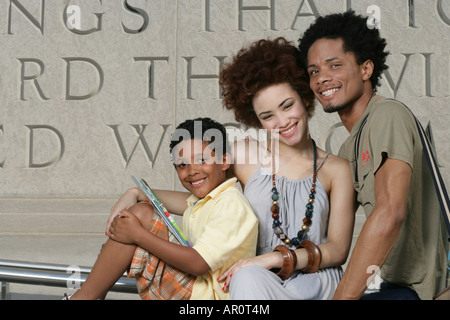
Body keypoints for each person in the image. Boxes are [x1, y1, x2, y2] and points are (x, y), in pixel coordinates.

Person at [108, 37, 355, 300]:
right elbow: (201, 201)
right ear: (257, 121)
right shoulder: (245, 155)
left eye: (287, 105)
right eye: (267, 116)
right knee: (245, 278)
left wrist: (275, 258)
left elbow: (339, 249)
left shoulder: (336, 169)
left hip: (315, 283)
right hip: (256, 280)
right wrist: (140, 192)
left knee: (247, 276)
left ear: (304, 99)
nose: (282, 121)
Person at [298, 10, 449, 300]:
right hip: (398, 288)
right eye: (314, 71)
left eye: (334, 65)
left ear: (366, 70)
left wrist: (342, 298)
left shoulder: (387, 115)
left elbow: (390, 213)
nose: (322, 78)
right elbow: (326, 231)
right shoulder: (348, 149)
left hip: (430, 291)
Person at [68, 117, 258, 300]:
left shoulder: (231, 204)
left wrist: (138, 235)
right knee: (141, 212)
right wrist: (135, 192)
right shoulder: (210, 201)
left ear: (225, 161)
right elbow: (177, 201)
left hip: (207, 297)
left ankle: (84, 297)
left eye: (201, 160)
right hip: (197, 290)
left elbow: (199, 264)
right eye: (182, 164)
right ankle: (91, 295)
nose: (192, 171)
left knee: (140, 215)